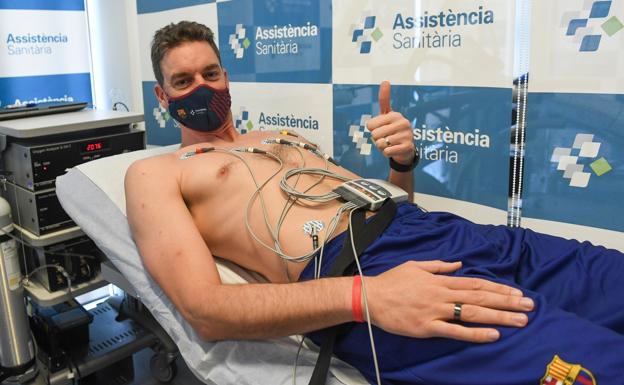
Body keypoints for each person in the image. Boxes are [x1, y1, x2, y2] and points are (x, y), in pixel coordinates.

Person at [125, 21, 624, 385]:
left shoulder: (280, 135)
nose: (202, 88)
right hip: (363, 268)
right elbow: (206, 309)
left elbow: (387, 205)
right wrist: (368, 297)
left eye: (211, 73)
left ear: (227, 77)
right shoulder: (156, 172)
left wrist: (402, 164)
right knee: (597, 363)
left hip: (446, 232)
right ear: (162, 97)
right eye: (184, 82)